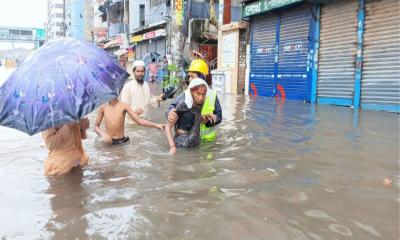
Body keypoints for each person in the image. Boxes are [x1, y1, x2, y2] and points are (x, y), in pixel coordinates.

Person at [168, 58, 222, 142]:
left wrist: (207, 121)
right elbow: (172, 107)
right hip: (187, 141)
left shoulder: (212, 95)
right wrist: (170, 113)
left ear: (202, 77)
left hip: (207, 143)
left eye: (192, 76)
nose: (189, 79)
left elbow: (219, 117)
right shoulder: (186, 94)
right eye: (189, 76)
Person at [165, 78, 221, 155]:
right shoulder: (183, 104)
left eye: (203, 94)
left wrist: (205, 118)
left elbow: (196, 122)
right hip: (181, 144)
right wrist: (172, 146)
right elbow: (167, 127)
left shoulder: (199, 105)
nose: (201, 97)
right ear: (191, 92)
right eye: (198, 93)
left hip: (195, 144)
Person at [94, 98, 164, 145]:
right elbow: (96, 127)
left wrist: (156, 125)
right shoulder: (103, 107)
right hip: (108, 142)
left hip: (121, 141)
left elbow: (139, 121)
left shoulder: (124, 105)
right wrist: (103, 134)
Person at [120, 60, 166, 124]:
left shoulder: (146, 85)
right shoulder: (127, 87)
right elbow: (123, 106)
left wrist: (158, 98)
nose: (140, 74)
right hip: (131, 123)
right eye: (138, 71)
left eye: (142, 71)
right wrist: (134, 110)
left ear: (145, 72)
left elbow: (148, 101)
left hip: (145, 121)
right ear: (133, 72)